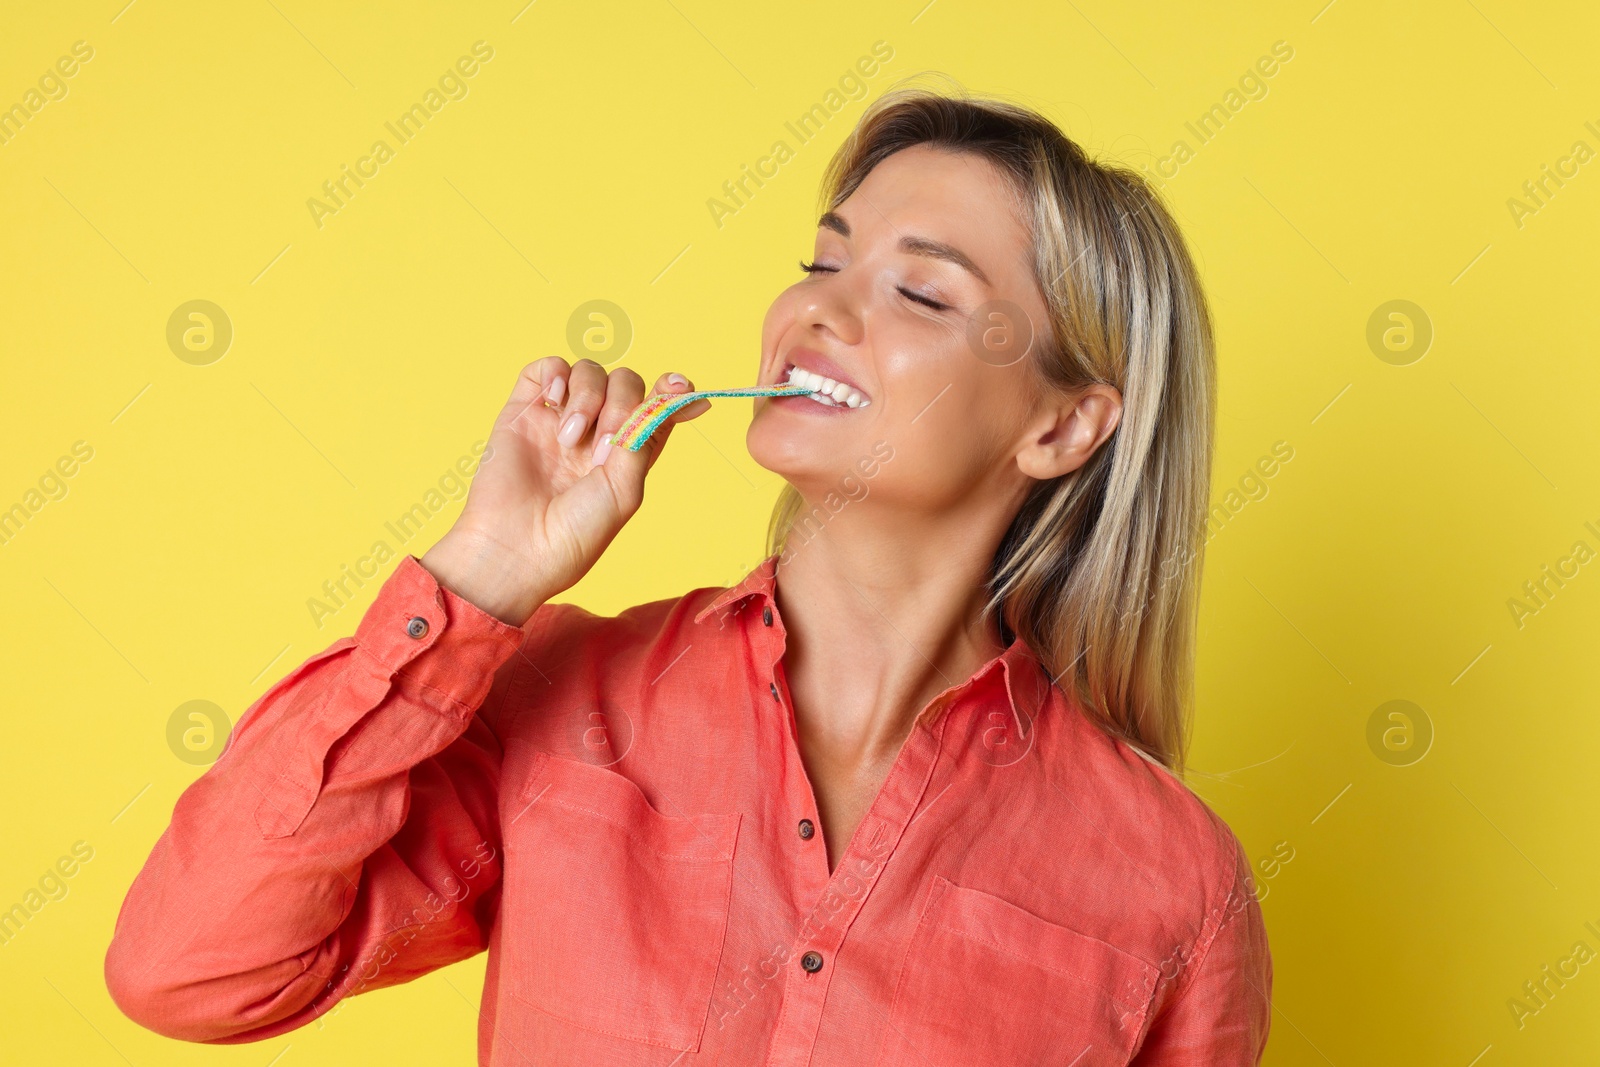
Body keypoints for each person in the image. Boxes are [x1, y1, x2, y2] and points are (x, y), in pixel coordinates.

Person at [106, 80, 1272, 1065]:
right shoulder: (560, 702)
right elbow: (192, 969)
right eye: (822, 261)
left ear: (1064, 429)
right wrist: (486, 575)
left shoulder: (1175, 886)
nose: (819, 307)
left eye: (919, 291)